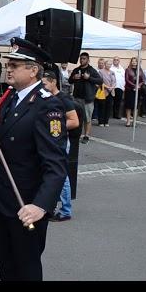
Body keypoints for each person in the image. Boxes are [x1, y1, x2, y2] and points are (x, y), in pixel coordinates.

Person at [0, 38, 68, 281]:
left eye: (15, 65)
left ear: (33, 70)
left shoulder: (47, 106)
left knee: (26, 267)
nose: (8, 68)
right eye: (8, 63)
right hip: (2, 197)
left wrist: (40, 205)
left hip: (26, 203)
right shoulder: (10, 97)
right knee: (7, 265)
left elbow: (56, 166)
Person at [42, 70, 79, 222]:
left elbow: (74, 121)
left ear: (53, 82)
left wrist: (54, 126)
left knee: (61, 176)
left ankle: (65, 211)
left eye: (44, 84)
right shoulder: (46, 98)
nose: (42, 87)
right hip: (49, 141)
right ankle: (50, 207)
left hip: (61, 141)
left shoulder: (63, 99)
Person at [68, 52, 102, 144]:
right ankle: (76, 134)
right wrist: (74, 77)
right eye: (81, 58)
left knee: (87, 118)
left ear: (88, 60)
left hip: (88, 99)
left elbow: (100, 81)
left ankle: (86, 135)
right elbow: (70, 81)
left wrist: (89, 78)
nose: (82, 60)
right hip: (77, 98)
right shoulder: (76, 69)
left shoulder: (91, 70)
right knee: (76, 117)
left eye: (84, 59)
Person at [124, 57, 145, 127]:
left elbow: (143, 80)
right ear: (131, 62)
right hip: (129, 90)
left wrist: (139, 85)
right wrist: (134, 85)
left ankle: (134, 121)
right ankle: (128, 121)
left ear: (137, 62)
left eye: (135, 61)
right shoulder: (127, 70)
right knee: (129, 106)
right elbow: (127, 80)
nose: (134, 62)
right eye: (132, 61)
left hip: (137, 90)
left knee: (136, 106)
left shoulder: (140, 70)